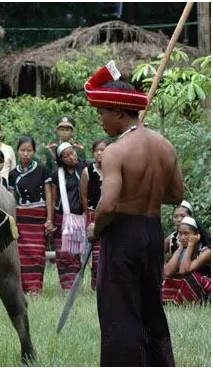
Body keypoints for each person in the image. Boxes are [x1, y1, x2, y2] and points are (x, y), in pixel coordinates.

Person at [85, 61, 183, 366]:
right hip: (152, 232)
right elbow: (177, 195)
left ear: (117, 112)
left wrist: (95, 229)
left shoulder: (116, 151)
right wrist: (145, 196)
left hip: (123, 235)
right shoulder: (165, 146)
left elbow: (109, 205)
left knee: (119, 311)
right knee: (150, 306)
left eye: (102, 112)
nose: (100, 119)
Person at [8, 136, 54, 293]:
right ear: (18, 151)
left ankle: (35, 289)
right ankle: (25, 288)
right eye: (22, 150)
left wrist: (49, 218)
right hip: (22, 218)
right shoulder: (13, 174)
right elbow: (12, 199)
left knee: (38, 253)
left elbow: (49, 195)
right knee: (23, 254)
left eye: (29, 150)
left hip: (38, 216)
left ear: (34, 151)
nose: (26, 154)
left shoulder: (42, 169)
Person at [49, 142, 85, 290]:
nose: (71, 157)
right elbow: (53, 197)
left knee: (75, 253)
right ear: (61, 159)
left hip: (80, 217)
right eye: (67, 155)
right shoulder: (57, 173)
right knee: (63, 254)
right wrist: (50, 220)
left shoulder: (83, 169)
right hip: (62, 218)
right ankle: (66, 286)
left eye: (73, 153)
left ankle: (75, 285)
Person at [80, 138, 109, 290]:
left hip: (110, 214)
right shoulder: (87, 171)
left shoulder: (113, 169)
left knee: (108, 249)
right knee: (95, 251)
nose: (99, 153)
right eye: (96, 150)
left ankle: (108, 282)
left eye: (103, 149)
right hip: (93, 214)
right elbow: (84, 197)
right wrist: (89, 215)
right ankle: (96, 283)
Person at [162, 216, 211, 305]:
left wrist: (191, 245)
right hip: (191, 287)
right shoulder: (180, 247)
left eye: (186, 233)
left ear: (197, 234)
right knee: (171, 278)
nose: (182, 237)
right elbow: (168, 273)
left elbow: (184, 271)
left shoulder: (206, 252)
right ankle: (171, 300)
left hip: (206, 289)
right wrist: (180, 247)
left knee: (190, 277)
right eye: (180, 234)